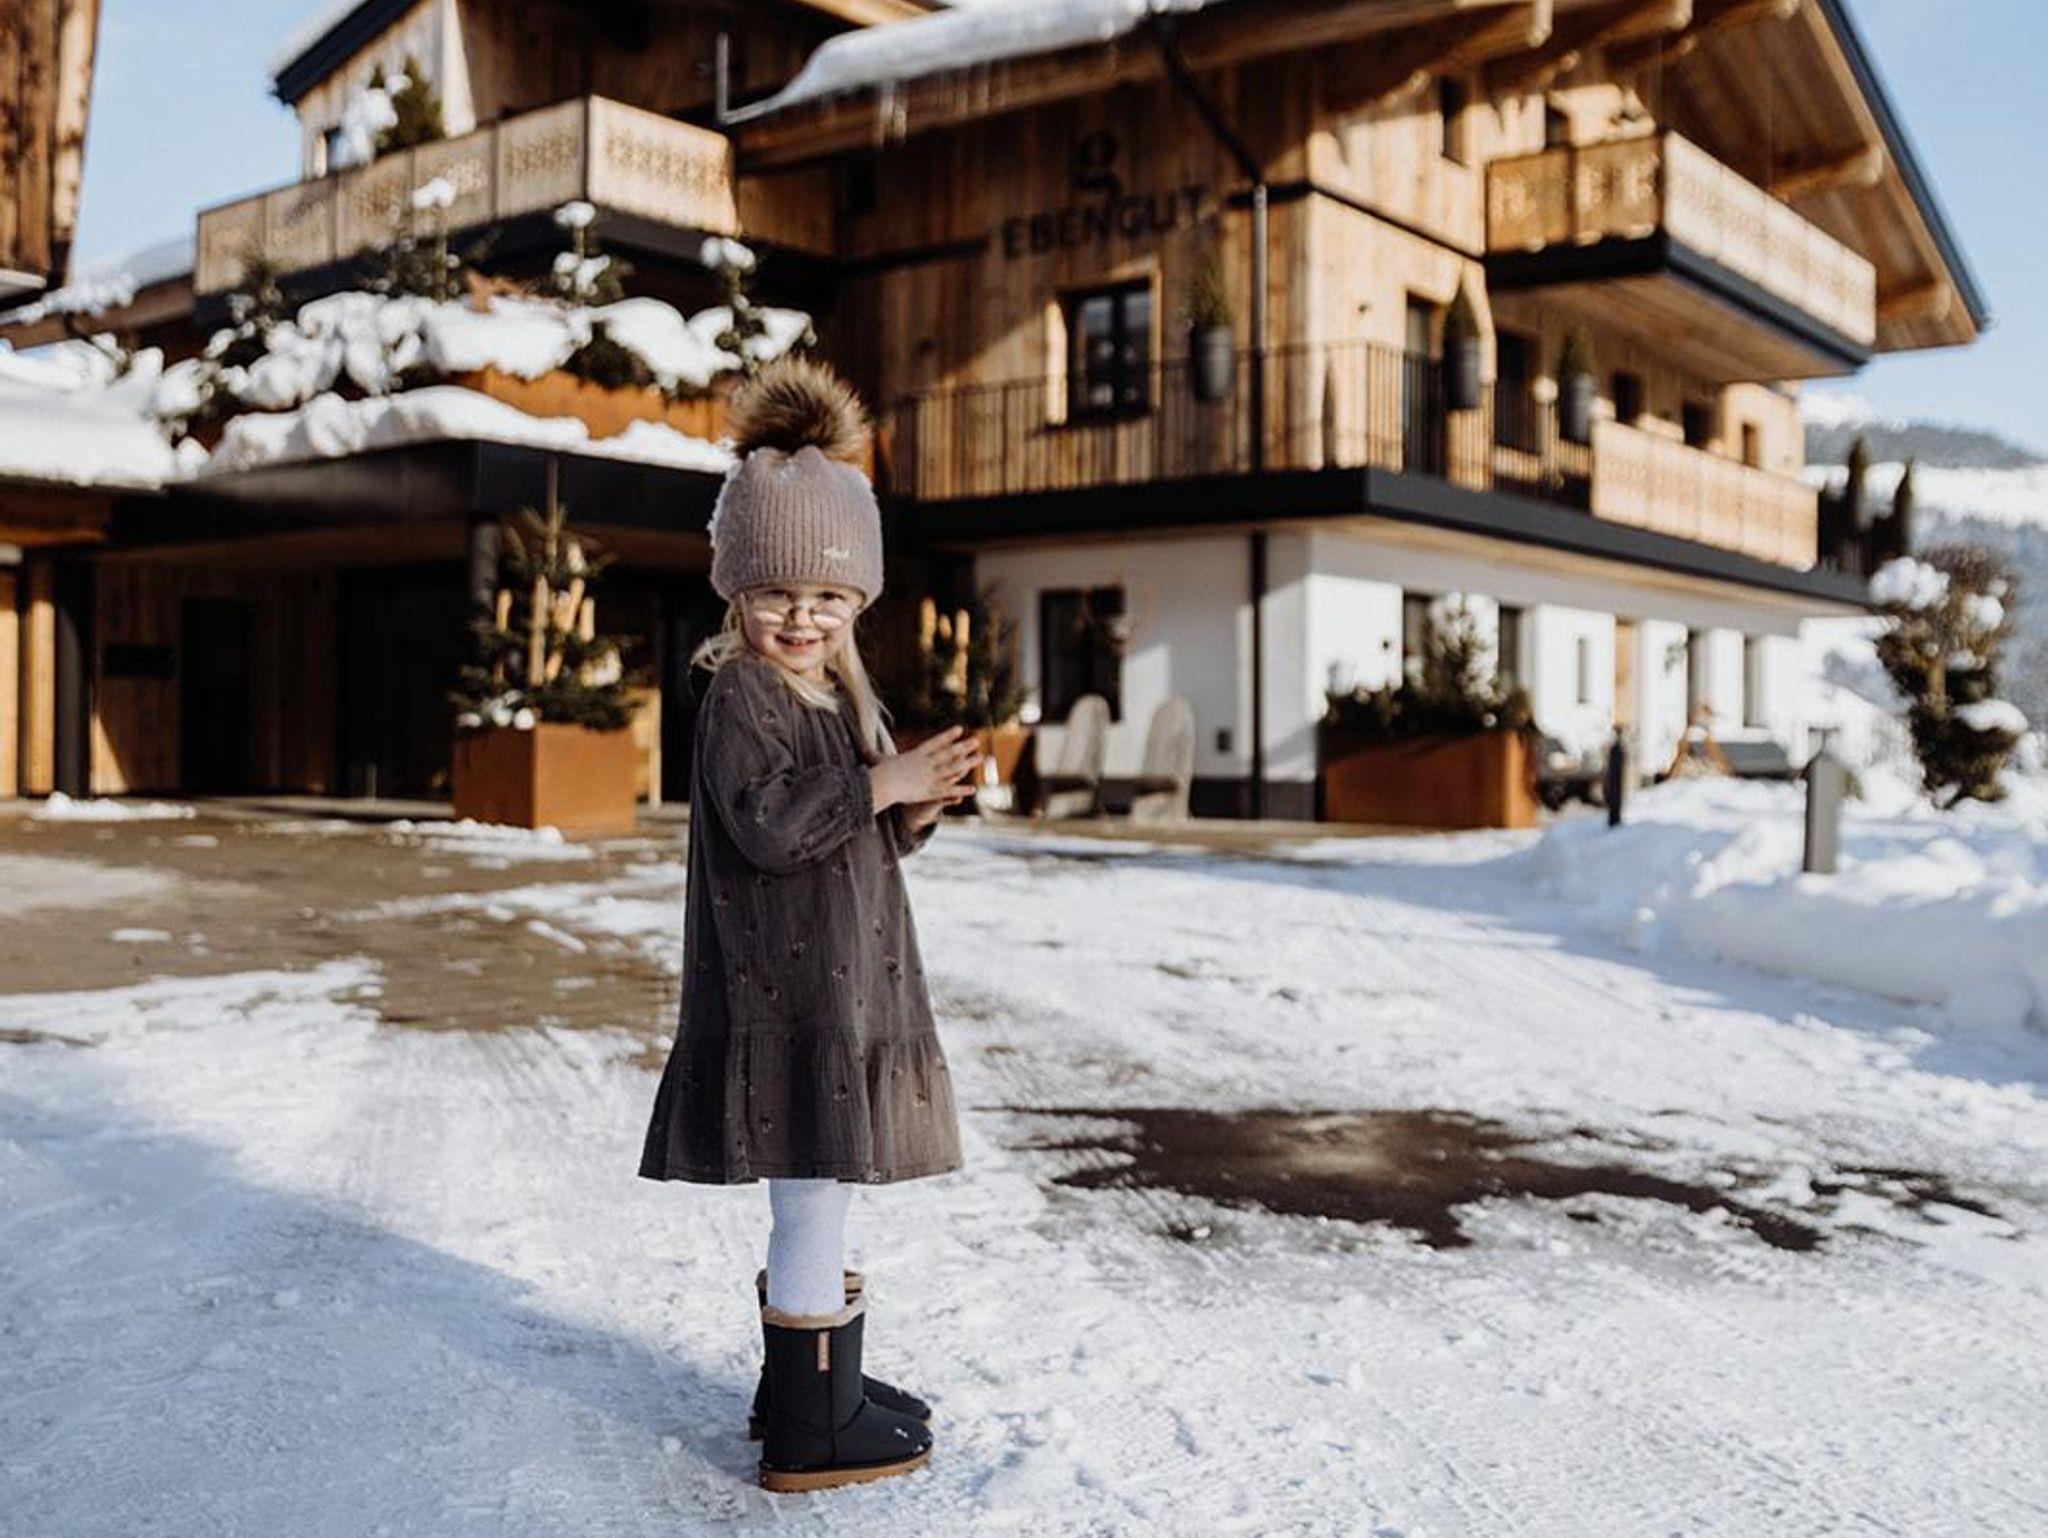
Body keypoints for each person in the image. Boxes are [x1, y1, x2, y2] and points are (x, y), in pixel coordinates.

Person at [637, 355, 983, 1493]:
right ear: (737, 595)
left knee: (818, 1188)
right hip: (788, 997)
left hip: (833, 985)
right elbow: (770, 826)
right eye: (778, 594)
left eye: (827, 599)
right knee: (811, 1192)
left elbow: (844, 837)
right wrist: (880, 786)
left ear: (855, 606)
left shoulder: (832, 695)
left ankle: (812, 1384)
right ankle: (810, 1424)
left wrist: (909, 804)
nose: (802, 617)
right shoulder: (743, 691)